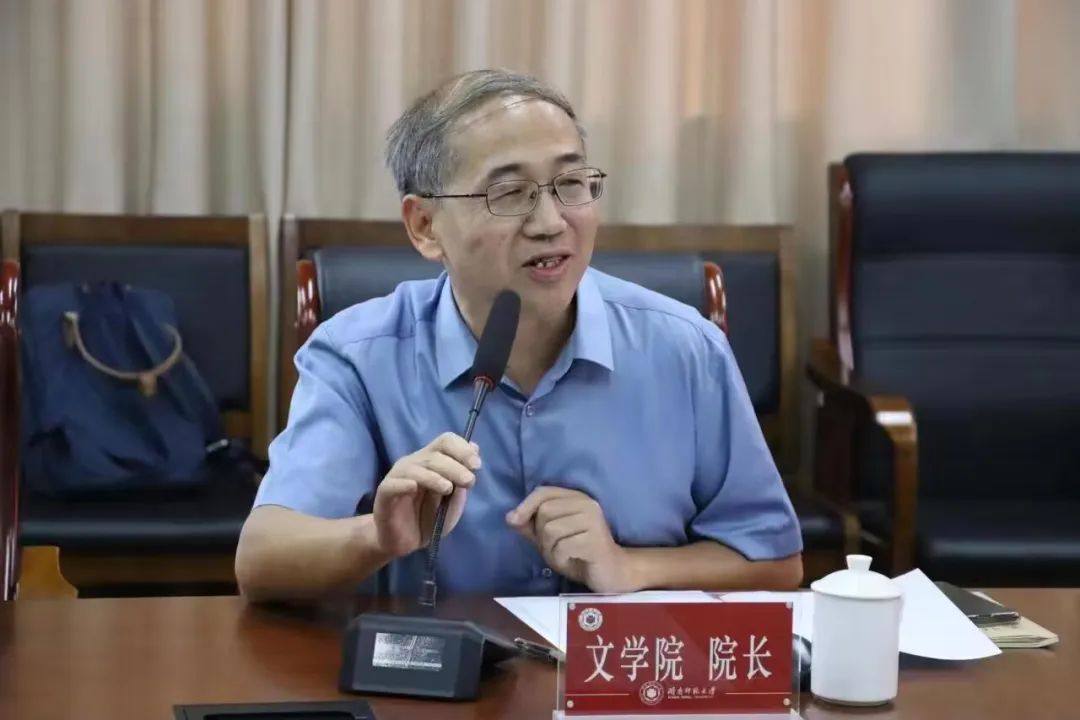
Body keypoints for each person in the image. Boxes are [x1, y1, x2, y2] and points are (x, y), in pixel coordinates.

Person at [235, 69, 802, 601]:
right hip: (442, 672)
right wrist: (376, 537)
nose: (551, 222)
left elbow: (773, 560)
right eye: (508, 194)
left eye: (570, 183)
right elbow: (261, 561)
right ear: (425, 226)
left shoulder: (685, 348)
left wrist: (630, 567)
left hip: (622, 670)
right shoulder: (358, 356)